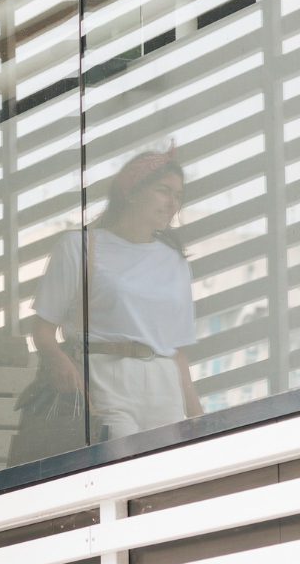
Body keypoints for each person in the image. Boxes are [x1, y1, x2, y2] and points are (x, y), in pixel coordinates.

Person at [27, 144, 202, 444]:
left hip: (163, 386)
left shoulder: (175, 260)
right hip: (102, 379)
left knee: (166, 480)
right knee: (119, 469)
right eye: (164, 190)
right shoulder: (79, 248)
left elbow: (177, 351)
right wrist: (60, 363)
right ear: (131, 192)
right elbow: (42, 331)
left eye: (178, 196)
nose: (173, 203)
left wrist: (198, 417)